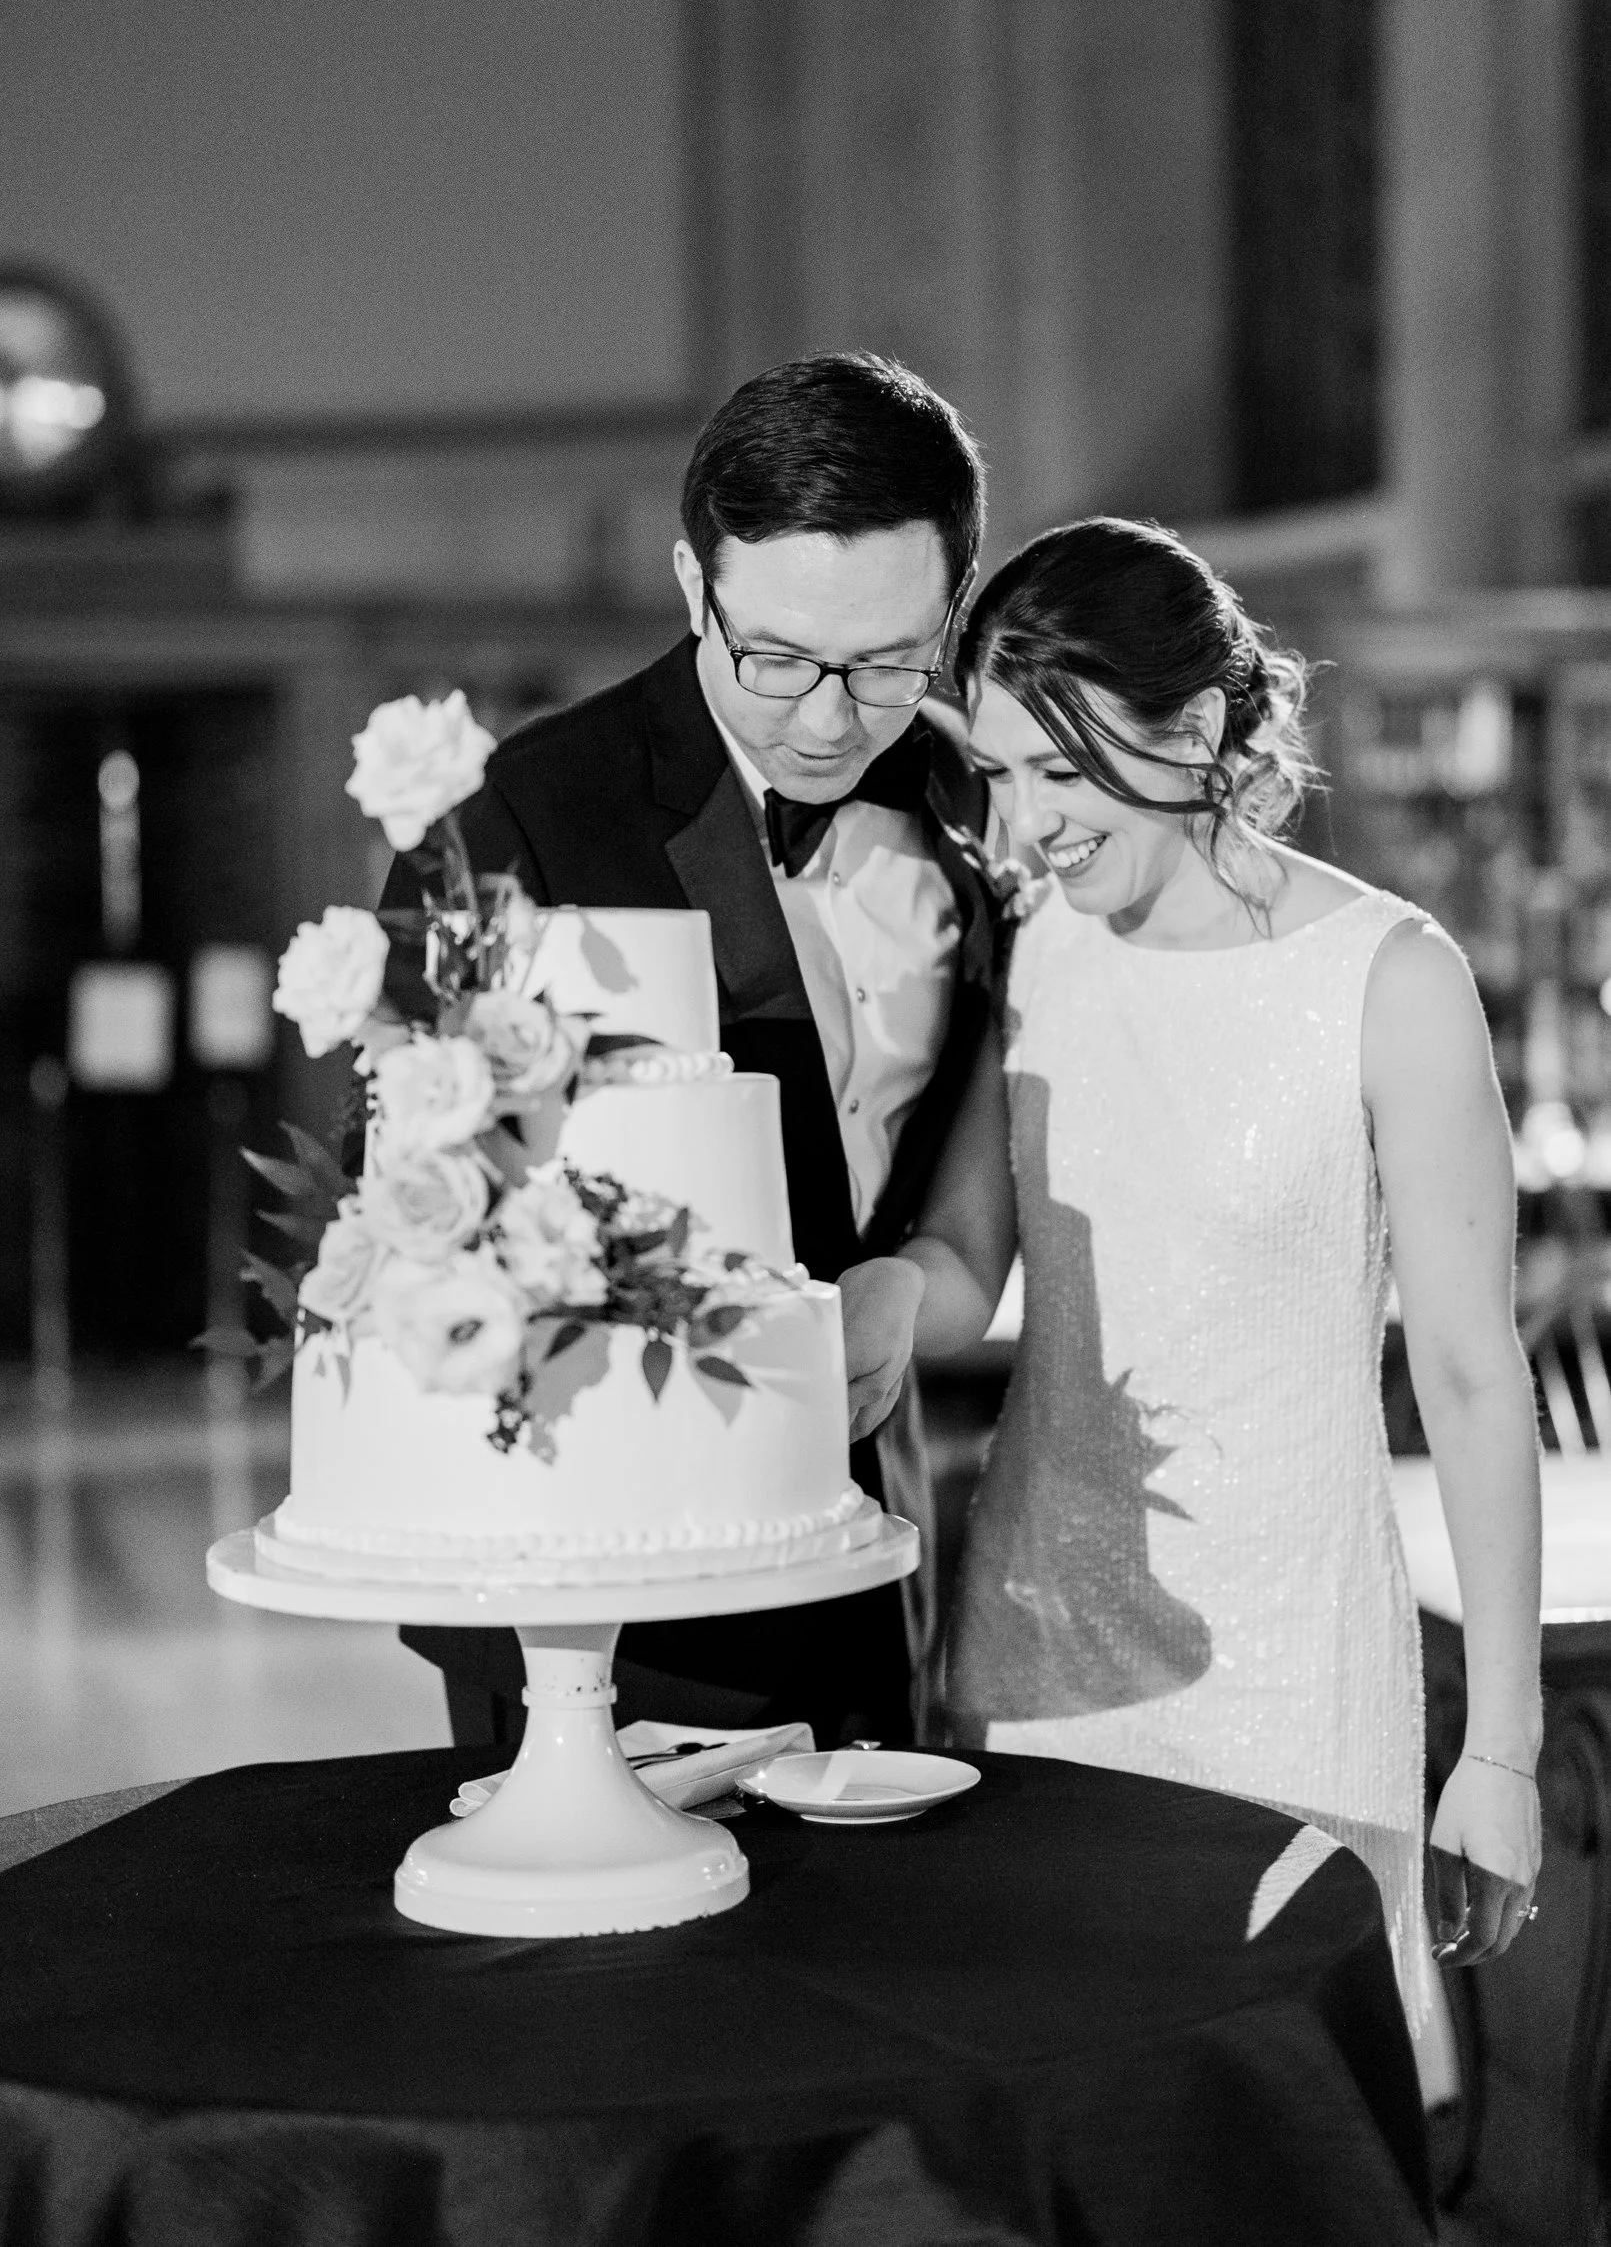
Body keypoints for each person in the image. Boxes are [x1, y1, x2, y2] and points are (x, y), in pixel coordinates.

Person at [885, 515, 1542, 2023]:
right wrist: (798, 1322)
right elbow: (963, 1257)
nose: (1022, 819)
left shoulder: (1393, 980)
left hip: (1289, 1673)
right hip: (1041, 1649)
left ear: (1195, 729)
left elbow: (1465, 1371)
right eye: (995, 770)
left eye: (1060, 769)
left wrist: (1496, 1750)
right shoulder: (1032, 948)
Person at [385, 351, 995, 1754]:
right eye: (774, 657)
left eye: (889, 661)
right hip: (592, 1600)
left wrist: (901, 1289)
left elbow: (946, 1191)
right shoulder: (525, 821)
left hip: (861, 1551)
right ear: (688, 585)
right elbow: (416, 1205)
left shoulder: (975, 808)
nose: (830, 717)